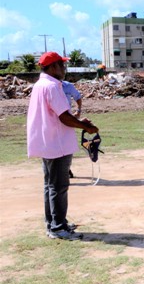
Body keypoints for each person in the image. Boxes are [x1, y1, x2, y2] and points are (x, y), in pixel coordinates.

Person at [27, 51, 99, 240]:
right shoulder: (52, 86)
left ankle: (54, 223)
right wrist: (85, 126)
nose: (64, 68)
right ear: (52, 67)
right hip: (56, 144)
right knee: (59, 187)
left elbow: (58, 115)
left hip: (48, 142)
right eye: (62, 64)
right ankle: (58, 227)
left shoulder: (40, 85)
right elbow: (63, 117)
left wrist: (78, 120)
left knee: (50, 186)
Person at [62, 80, 83, 178]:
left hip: (67, 120)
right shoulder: (45, 86)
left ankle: (66, 168)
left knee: (68, 147)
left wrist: (78, 111)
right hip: (52, 123)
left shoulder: (67, 86)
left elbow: (78, 97)